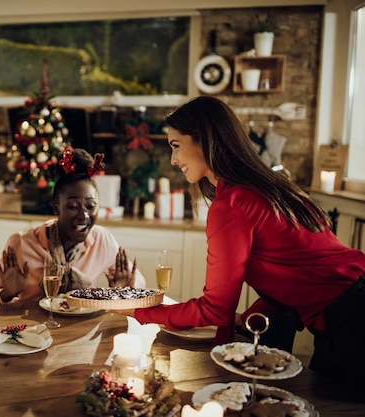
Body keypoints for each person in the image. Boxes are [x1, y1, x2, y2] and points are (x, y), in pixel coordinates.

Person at [114, 96, 365, 386]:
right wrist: (244, 318)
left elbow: (214, 308)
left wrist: (140, 311)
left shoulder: (232, 204)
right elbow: (294, 274)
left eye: (176, 146)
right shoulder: (268, 189)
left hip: (352, 321)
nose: (173, 160)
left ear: (204, 140)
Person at [0, 148, 146, 304]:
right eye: (73, 206)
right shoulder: (22, 242)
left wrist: (128, 287)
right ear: (56, 208)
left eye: (90, 206)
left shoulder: (101, 239)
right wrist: (7, 293)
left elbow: (138, 280)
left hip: (82, 328)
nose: (84, 215)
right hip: (33, 330)